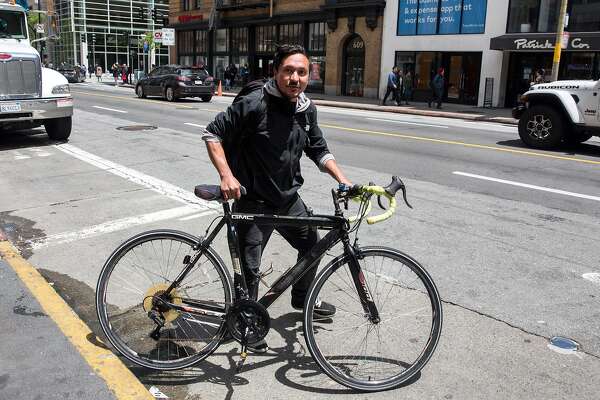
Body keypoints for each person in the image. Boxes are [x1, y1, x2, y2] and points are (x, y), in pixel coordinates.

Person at [202, 44, 351, 353]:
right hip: (254, 200)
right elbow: (213, 133)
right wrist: (227, 176)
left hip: (287, 199)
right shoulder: (255, 103)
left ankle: (302, 297)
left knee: (313, 245)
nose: (294, 77)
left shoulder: (306, 109)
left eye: (301, 72)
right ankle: (245, 323)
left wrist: (343, 179)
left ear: (309, 76)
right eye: (288, 70)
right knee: (250, 270)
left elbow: (318, 148)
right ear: (276, 72)